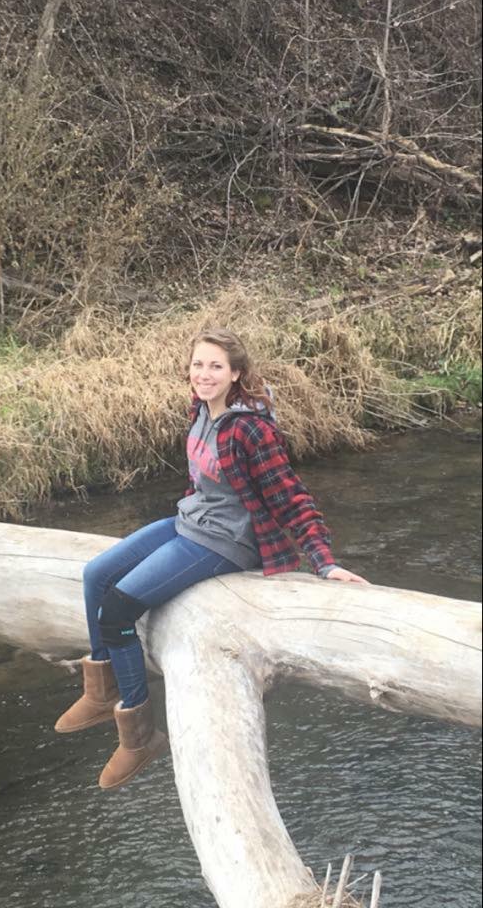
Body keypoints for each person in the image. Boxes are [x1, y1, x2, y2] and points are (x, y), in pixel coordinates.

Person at [54, 328, 367, 789]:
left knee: (118, 610)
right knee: (95, 573)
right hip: (190, 522)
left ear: (236, 373)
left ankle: (138, 734)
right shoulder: (199, 410)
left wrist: (324, 562)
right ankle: (102, 690)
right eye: (198, 364)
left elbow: (291, 497)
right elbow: (202, 481)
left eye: (216, 366)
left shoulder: (251, 429)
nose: (204, 374)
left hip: (226, 543)